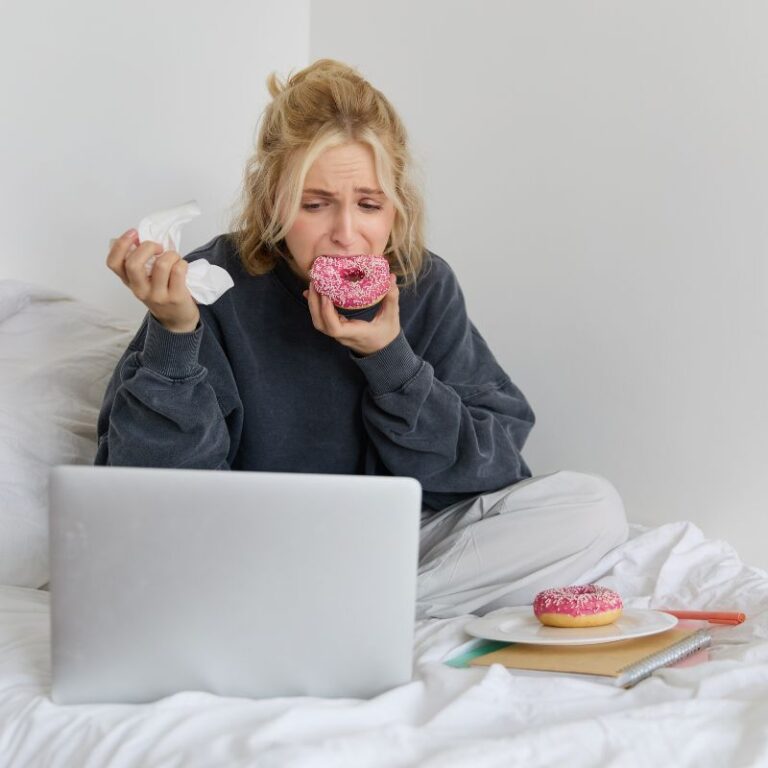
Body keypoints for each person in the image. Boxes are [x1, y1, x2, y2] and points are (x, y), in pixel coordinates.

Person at [97, 59, 628, 619]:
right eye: (315, 204)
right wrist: (175, 332)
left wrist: (390, 361)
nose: (346, 234)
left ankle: (345, 611)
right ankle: (344, 610)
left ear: (396, 209)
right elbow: (146, 494)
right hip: (255, 549)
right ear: (272, 201)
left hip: (393, 549)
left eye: (369, 205)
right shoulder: (210, 284)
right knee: (161, 557)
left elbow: (492, 471)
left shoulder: (424, 284)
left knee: (592, 507)